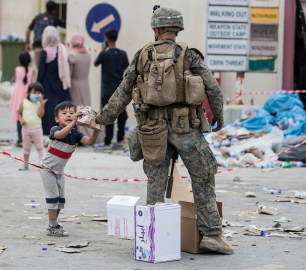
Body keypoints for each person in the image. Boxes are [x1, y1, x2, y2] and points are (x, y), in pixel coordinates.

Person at [95, 6, 233, 254]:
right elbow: (212, 87)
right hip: (185, 128)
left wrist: (102, 118)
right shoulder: (189, 55)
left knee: (156, 182)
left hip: (152, 129)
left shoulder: (141, 55)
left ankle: (153, 237)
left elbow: (122, 93)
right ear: (177, 29)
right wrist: (219, 117)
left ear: (156, 29)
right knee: (203, 176)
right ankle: (211, 235)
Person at [40, 101, 99, 236]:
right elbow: (61, 135)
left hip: (59, 172)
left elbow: (90, 142)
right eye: (64, 113)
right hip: (47, 170)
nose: (69, 115)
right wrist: (75, 121)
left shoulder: (76, 134)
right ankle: (52, 227)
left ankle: (54, 225)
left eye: (72, 113)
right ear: (57, 118)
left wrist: (96, 127)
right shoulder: (55, 130)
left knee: (60, 200)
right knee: (53, 198)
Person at [94, 29, 129, 152]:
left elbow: (95, 63)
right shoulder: (123, 54)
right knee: (121, 115)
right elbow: (127, 68)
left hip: (107, 90)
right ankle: (119, 141)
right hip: (120, 90)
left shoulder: (104, 54)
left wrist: (102, 50)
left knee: (109, 116)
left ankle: (107, 142)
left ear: (107, 39)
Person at [38, 26, 71, 135]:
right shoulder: (62, 50)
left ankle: (50, 133)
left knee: (49, 111)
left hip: (47, 86)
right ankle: (62, 132)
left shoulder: (45, 52)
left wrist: (38, 87)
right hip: (61, 86)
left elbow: (41, 72)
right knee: (60, 110)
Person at [26, 1, 65, 69]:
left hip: (38, 47)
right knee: (49, 69)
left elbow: (28, 31)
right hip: (50, 49)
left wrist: (27, 43)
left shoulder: (38, 17)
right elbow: (65, 25)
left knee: (39, 68)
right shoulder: (54, 19)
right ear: (53, 10)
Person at [17, 82, 47, 171]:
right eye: (34, 92)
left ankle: (42, 164)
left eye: (39, 93)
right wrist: (21, 120)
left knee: (40, 147)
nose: (36, 95)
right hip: (26, 129)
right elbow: (18, 113)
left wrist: (42, 105)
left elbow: (40, 115)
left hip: (37, 128)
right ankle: (25, 165)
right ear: (29, 93)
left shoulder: (39, 104)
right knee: (26, 147)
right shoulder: (24, 102)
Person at [9, 51, 36, 147]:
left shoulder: (17, 69)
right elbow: (33, 84)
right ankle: (29, 138)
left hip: (18, 96)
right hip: (27, 96)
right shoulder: (32, 71)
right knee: (28, 117)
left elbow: (16, 81)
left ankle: (20, 139)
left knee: (18, 117)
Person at [69, 33, 93, 137]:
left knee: (76, 109)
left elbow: (70, 72)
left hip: (75, 84)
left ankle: (79, 134)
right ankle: (89, 133)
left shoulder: (72, 55)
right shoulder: (88, 55)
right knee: (86, 109)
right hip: (85, 83)